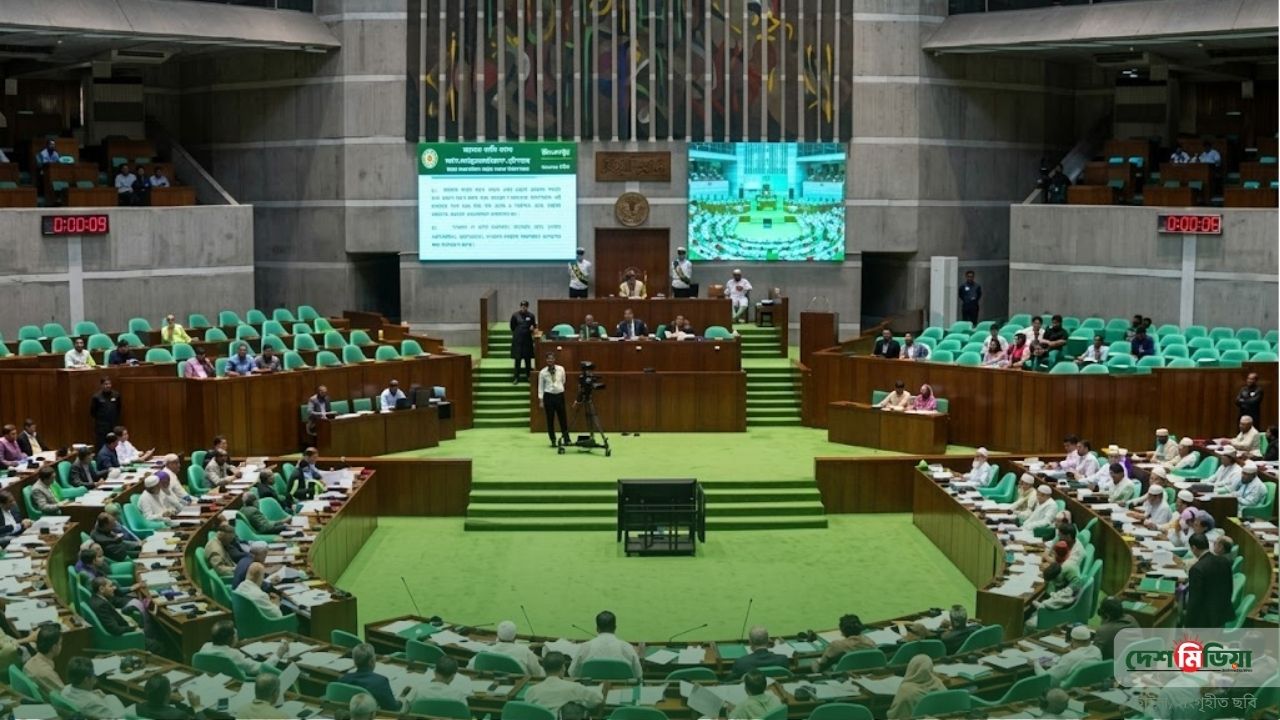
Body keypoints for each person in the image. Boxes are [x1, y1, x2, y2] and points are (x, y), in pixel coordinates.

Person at [199, 619, 286, 678]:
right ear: (230, 639)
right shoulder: (233, 655)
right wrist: (278, 654)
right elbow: (261, 669)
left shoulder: (205, 647)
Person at [570, 611, 642, 678]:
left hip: (591, 689)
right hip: (621, 689)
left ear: (597, 629)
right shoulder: (626, 647)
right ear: (615, 628)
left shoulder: (585, 647)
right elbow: (638, 675)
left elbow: (572, 673)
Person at [525, 652, 602, 713]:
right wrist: (600, 688)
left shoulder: (531, 691)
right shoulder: (575, 688)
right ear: (563, 668)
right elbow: (597, 699)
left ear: (544, 668)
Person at [338, 643, 408, 712]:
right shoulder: (381, 682)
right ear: (371, 661)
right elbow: (393, 708)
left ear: (355, 662)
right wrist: (402, 699)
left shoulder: (344, 679)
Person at [1184, 532, 1233, 628]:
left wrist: (1188, 624)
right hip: (1221, 616)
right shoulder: (1224, 561)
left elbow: (1194, 600)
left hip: (1203, 622)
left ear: (1193, 548)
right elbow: (1229, 588)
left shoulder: (1196, 569)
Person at [1033, 625, 1101, 687]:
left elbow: (1047, 680)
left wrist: (1036, 663)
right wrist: (1053, 663)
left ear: (1072, 640)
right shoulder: (1097, 650)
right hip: (1085, 684)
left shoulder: (1071, 657)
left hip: (1064, 690)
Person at [61, 656, 125, 719]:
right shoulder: (93, 702)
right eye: (93, 674)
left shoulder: (65, 690)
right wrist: (105, 697)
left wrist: (91, 694)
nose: (95, 677)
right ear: (86, 680)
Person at [473, 621, 544, 677]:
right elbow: (538, 673)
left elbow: (471, 666)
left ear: (498, 635)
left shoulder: (486, 652)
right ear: (515, 636)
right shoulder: (525, 651)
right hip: (519, 687)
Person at [536, 353, 570, 449]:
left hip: (559, 396)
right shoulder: (542, 372)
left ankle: (566, 439)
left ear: (554, 359)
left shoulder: (561, 369)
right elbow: (540, 387)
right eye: (548, 359)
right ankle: (553, 440)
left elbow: (563, 381)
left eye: (551, 359)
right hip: (549, 397)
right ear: (546, 360)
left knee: (563, 418)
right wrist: (541, 400)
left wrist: (558, 388)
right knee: (550, 419)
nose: (550, 361)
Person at [24, 623, 63, 696]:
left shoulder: (29, 663)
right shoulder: (47, 673)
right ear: (54, 648)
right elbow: (63, 697)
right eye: (60, 643)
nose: (61, 646)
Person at [89, 377, 121, 448]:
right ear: (102, 385)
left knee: (114, 443)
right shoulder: (96, 397)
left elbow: (118, 408)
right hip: (102, 427)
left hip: (113, 425)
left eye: (109, 384)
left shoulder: (116, 395)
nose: (108, 386)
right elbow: (93, 412)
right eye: (106, 384)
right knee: (101, 444)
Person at [510, 301, 537, 383]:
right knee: (517, 360)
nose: (523, 307)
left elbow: (534, 325)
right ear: (520, 306)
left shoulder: (531, 316)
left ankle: (528, 376)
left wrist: (533, 328)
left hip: (527, 341)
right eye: (522, 306)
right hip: (518, 340)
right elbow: (512, 327)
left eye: (525, 306)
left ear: (527, 307)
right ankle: (516, 377)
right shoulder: (515, 315)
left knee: (527, 359)